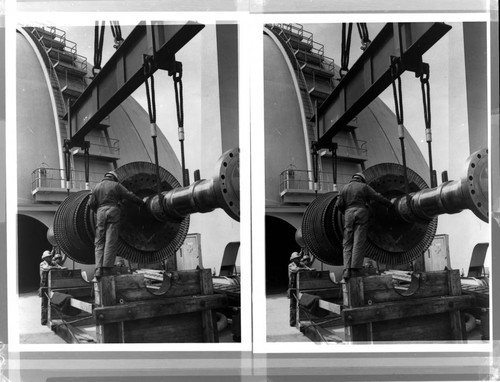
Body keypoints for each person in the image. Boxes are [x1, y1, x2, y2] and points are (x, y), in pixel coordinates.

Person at [336, 172, 392, 281]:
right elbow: (377, 196)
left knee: (347, 242)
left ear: (353, 178)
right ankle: (355, 269)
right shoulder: (364, 187)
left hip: (348, 213)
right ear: (361, 179)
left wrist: (346, 211)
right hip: (361, 212)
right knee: (359, 241)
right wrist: (388, 204)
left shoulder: (344, 188)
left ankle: (347, 269)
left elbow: (339, 204)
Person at [89, 171, 145, 279]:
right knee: (111, 239)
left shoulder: (96, 187)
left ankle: (98, 269)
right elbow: (129, 195)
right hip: (113, 210)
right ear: (114, 178)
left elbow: (91, 203)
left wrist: (98, 210)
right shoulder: (116, 185)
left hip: (100, 212)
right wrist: (141, 203)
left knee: (99, 240)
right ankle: (106, 268)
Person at [288, 251, 314, 326]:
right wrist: (307, 270)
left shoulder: (300, 264)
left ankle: (299, 320)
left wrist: (309, 269)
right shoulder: (291, 265)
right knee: (293, 305)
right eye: (296, 259)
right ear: (293, 260)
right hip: (293, 286)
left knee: (300, 303)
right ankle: (292, 322)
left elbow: (307, 267)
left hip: (300, 286)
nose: (298, 260)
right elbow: (296, 270)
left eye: (298, 258)